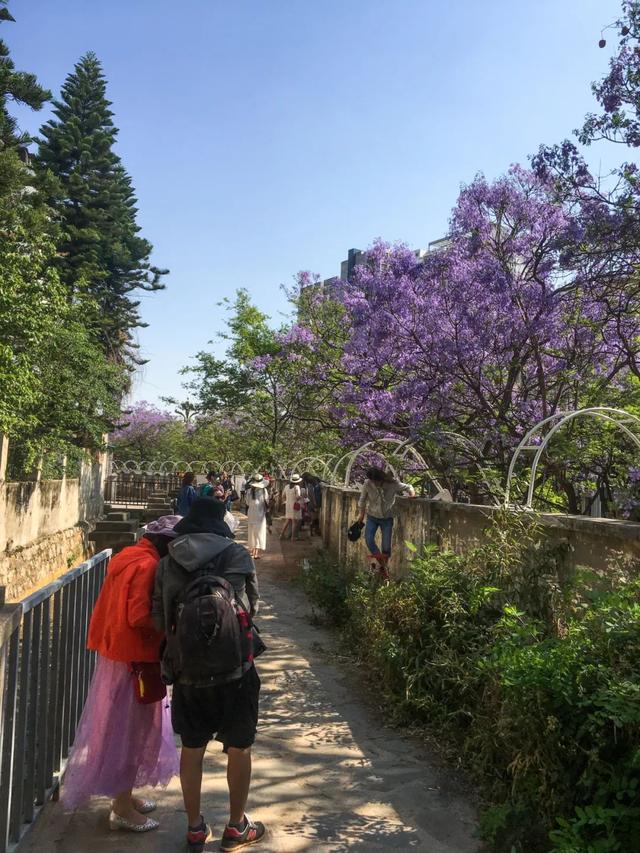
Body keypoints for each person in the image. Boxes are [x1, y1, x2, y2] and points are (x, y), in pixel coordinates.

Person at [152, 498, 265, 852]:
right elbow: (252, 606)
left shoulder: (169, 561)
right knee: (240, 747)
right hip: (236, 670)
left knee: (192, 747)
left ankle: (195, 829)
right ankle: (236, 827)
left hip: (188, 673)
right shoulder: (238, 555)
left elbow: (159, 617)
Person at [62, 516, 181, 832]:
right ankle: (122, 808)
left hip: (116, 654)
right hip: (134, 660)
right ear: (167, 544)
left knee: (120, 728)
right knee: (131, 733)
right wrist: (171, 626)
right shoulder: (149, 566)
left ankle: (124, 796)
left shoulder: (128, 556)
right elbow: (139, 616)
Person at [357, 467, 416, 577]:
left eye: (376, 481)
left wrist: (412, 494)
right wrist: (361, 515)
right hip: (372, 516)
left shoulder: (392, 484)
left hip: (387, 518)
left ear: (381, 479)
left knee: (386, 547)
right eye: (372, 481)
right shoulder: (367, 483)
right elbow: (362, 499)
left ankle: (383, 569)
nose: (374, 483)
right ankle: (383, 566)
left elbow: (408, 487)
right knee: (369, 540)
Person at [246, 473, 269, 559]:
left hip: (251, 514)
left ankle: (252, 551)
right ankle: (255, 553)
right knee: (259, 533)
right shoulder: (264, 491)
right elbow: (267, 502)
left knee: (251, 533)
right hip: (260, 516)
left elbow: (247, 503)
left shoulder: (249, 491)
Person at [280, 474, 303, 541]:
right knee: (294, 522)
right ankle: (293, 537)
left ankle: (281, 534)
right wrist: (301, 497)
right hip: (295, 505)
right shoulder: (297, 487)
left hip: (288, 505)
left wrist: (287, 500)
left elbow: (283, 496)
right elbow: (298, 497)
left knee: (287, 520)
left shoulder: (287, 486)